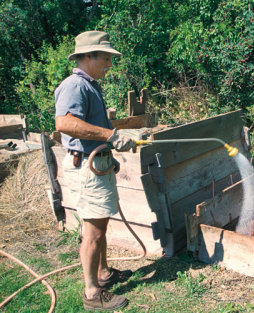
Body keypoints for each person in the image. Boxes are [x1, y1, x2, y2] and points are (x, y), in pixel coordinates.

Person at [54, 30, 136, 311]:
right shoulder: (74, 86)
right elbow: (64, 123)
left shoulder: (89, 86)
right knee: (93, 232)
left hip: (95, 163)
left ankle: (103, 274)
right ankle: (91, 293)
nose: (110, 64)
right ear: (88, 56)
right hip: (86, 167)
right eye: (106, 58)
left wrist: (107, 152)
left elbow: (87, 130)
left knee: (100, 224)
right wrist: (110, 136)